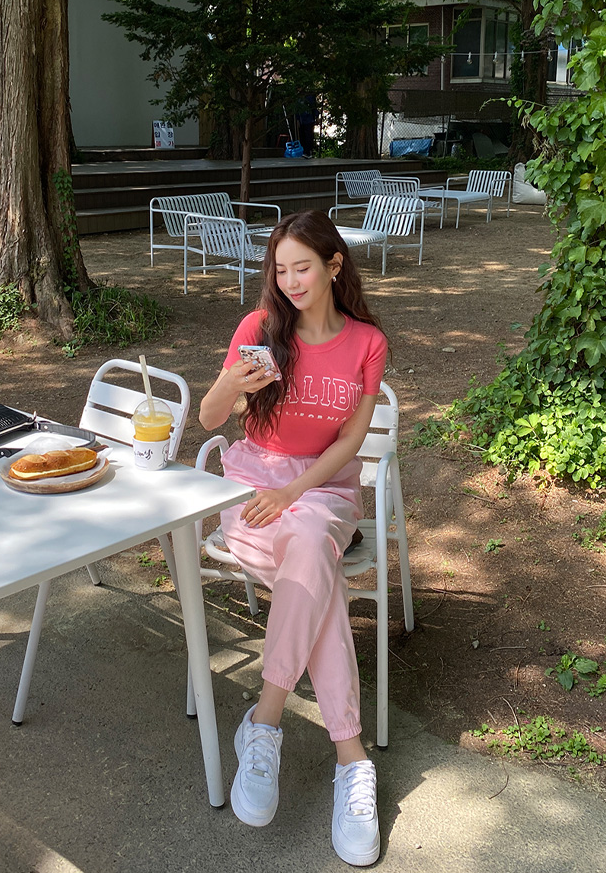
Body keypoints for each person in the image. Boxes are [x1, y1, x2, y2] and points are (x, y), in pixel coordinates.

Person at [199, 209, 388, 866]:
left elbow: (351, 441)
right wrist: (230, 383)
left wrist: (297, 490)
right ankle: (351, 757)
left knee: (309, 535)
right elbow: (211, 418)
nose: (290, 281)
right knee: (317, 571)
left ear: (334, 265)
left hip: (325, 490)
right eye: (280, 270)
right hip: (251, 485)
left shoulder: (366, 342)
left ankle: (266, 719)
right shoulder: (259, 329)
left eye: (302, 267)